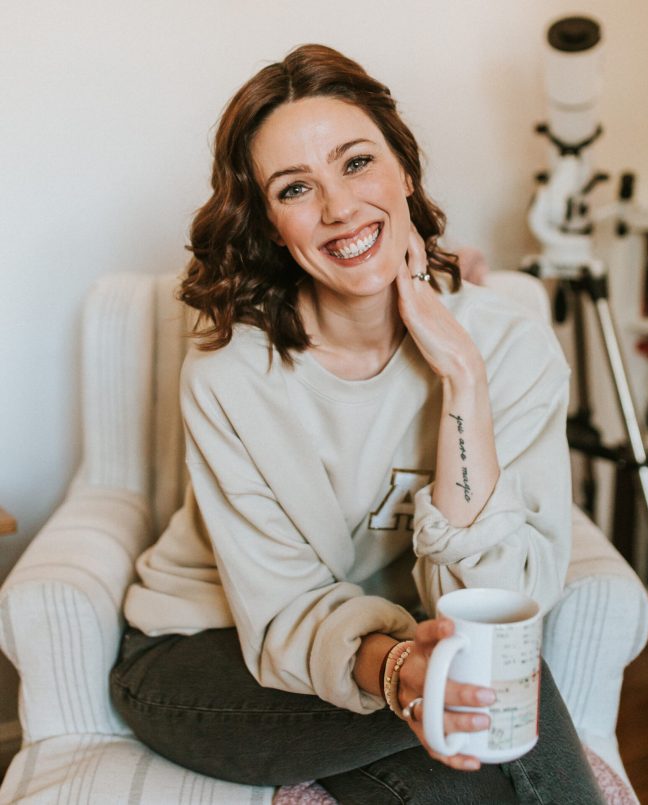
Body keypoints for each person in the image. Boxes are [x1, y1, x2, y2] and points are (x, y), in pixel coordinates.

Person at [110, 44, 604, 804]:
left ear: (403, 169)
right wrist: (402, 670)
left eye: (356, 162)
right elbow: (280, 613)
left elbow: (501, 601)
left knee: (487, 709)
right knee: (480, 707)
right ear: (272, 224)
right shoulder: (230, 375)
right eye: (295, 187)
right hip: (207, 653)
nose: (338, 208)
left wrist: (462, 382)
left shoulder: (504, 345)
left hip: (408, 641)